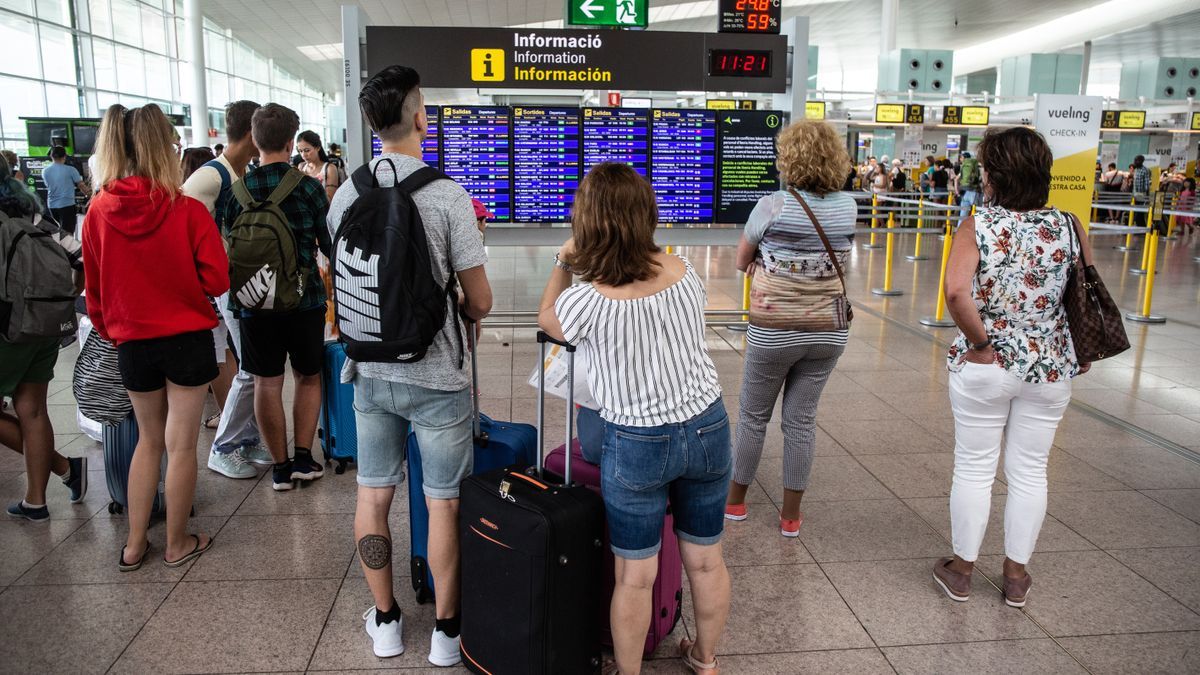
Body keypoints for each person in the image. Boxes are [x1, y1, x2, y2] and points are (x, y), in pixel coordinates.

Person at [326, 65, 492, 665]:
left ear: (371, 124)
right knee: (443, 500)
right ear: (419, 117)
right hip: (439, 375)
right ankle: (447, 635)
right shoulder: (447, 195)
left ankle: (388, 621)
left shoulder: (346, 193)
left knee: (374, 495)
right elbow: (481, 302)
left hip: (369, 372)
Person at [540, 162, 731, 675]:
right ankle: (706, 659)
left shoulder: (586, 302)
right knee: (707, 559)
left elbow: (546, 320)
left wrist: (563, 257)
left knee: (635, 576)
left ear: (588, 226)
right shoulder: (684, 270)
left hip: (638, 441)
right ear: (646, 214)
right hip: (708, 426)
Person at [932, 126, 1090, 609]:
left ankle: (961, 572)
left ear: (995, 174)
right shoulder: (1068, 225)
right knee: (1030, 471)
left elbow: (957, 291)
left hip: (988, 364)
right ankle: (1016, 576)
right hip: (1049, 366)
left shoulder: (978, 224)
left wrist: (980, 343)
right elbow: (1079, 296)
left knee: (975, 468)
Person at [84, 104, 228, 569]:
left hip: (131, 343)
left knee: (147, 441)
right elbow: (218, 279)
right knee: (181, 443)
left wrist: (115, 328)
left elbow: (94, 289)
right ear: (162, 147)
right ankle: (177, 542)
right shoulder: (184, 209)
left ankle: (133, 544)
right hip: (186, 338)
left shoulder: (98, 211)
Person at [724, 119, 856, 538]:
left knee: (753, 417)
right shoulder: (848, 205)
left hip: (774, 329)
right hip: (828, 331)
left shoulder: (773, 205)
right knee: (801, 421)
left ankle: (735, 503)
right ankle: (790, 517)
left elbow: (742, 261)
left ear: (788, 157)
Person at [224, 104, 330, 492]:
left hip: (253, 304)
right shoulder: (307, 187)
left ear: (254, 141)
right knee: (307, 377)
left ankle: (281, 467)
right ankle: (304, 458)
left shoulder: (235, 192)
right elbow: (327, 242)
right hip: (303, 301)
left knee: (266, 382)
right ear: (291, 143)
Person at [181, 100, 271, 479]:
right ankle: (224, 446)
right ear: (251, 133)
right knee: (251, 366)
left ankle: (245, 438)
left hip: (236, 284)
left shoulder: (236, 173)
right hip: (221, 288)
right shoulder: (209, 177)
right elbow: (184, 235)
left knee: (251, 365)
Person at [1, 154, 88, 521]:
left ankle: (63, 469)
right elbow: (81, 257)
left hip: (6, 331)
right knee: (33, 410)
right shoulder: (31, 213)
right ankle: (36, 499)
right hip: (45, 324)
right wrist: (68, 300)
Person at [42, 146, 90, 234]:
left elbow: (49, 185)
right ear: (64, 156)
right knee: (68, 233)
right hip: (67, 205)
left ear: (52, 156)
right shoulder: (71, 170)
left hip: (52, 206)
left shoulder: (45, 171)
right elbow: (82, 186)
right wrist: (91, 194)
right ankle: (66, 248)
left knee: (57, 231)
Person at [296, 130, 342, 202]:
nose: (303, 155)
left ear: (318, 147)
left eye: (307, 150)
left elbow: (330, 200)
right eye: (300, 151)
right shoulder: (301, 167)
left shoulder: (329, 169)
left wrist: (309, 181)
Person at [958, 151, 982, 220]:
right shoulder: (975, 166)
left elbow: (957, 179)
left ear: (965, 158)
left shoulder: (963, 166)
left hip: (964, 191)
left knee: (963, 215)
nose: (960, 159)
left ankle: (961, 228)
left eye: (961, 157)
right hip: (974, 191)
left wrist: (957, 190)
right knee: (976, 214)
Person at [1130, 155, 1150, 227]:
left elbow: (1147, 184)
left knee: (1140, 212)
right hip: (1135, 194)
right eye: (1135, 160)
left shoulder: (1145, 170)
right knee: (1136, 211)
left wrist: (1146, 196)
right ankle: (1139, 226)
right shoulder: (1136, 170)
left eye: (1137, 160)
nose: (1135, 162)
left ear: (1141, 161)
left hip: (1142, 194)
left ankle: (1141, 227)